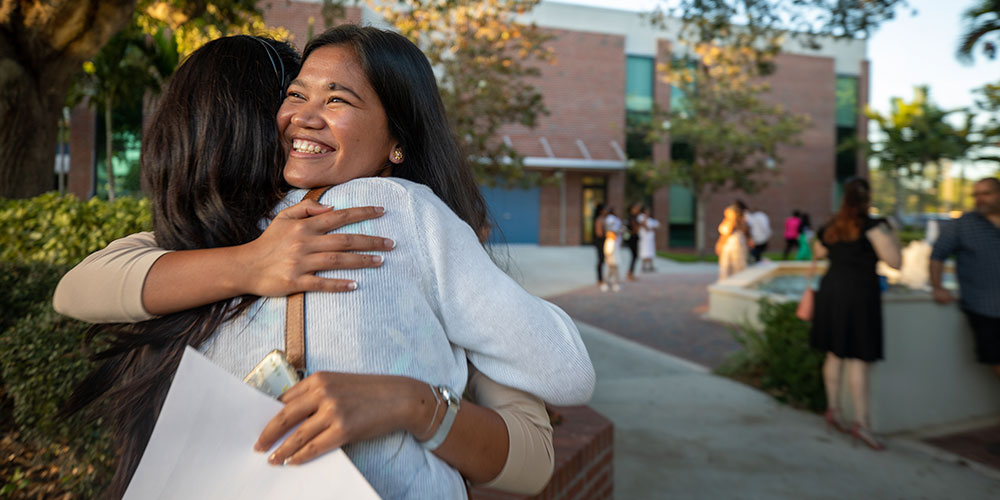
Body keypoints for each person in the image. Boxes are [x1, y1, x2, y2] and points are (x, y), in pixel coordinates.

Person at [58, 28, 594, 500]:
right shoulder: (228, 238)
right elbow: (80, 287)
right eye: (295, 95)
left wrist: (410, 402)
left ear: (397, 141)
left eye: (337, 99)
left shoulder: (407, 215)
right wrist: (252, 263)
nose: (301, 119)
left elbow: (547, 415)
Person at [809, 178, 900, 451]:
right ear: (867, 199)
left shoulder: (831, 227)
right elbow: (895, 262)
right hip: (859, 295)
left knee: (834, 354)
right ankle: (863, 424)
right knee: (859, 359)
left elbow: (818, 252)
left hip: (831, 291)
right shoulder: (873, 227)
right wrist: (892, 231)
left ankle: (833, 411)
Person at [930, 177, 1000, 379]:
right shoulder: (962, 225)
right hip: (984, 307)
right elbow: (937, 255)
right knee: (995, 359)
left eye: (986, 193)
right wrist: (937, 286)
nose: (980, 199)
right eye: (976, 195)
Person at [716, 204, 749, 280]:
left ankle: (727, 282)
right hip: (738, 242)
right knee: (737, 265)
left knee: (728, 265)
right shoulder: (741, 221)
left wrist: (720, 244)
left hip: (731, 243)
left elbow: (726, 234)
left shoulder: (732, 221)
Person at [603, 208, 623, 292]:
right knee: (611, 266)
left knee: (614, 266)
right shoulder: (610, 240)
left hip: (615, 246)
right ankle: (611, 283)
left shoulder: (614, 239)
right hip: (611, 247)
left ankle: (611, 283)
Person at [638, 206, 659, 272]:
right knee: (644, 252)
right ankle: (643, 267)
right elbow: (644, 225)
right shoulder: (641, 217)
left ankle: (651, 266)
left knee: (650, 252)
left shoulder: (651, 220)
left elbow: (657, 225)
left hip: (650, 239)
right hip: (644, 238)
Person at [625, 203, 643, 281]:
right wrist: (640, 225)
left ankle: (630, 272)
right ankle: (630, 273)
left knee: (635, 256)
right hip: (632, 238)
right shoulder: (633, 218)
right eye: (636, 208)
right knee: (634, 255)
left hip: (633, 238)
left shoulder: (635, 217)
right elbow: (635, 229)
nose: (637, 209)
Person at [592, 203, 608, 289]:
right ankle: (599, 279)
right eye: (605, 209)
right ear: (601, 210)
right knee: (600, 259)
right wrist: (607, 234)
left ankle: (603, 278)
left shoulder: (604, 219)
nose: (606, 211)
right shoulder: (599, 220)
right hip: (600, 242)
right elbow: (599, 233)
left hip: (603, 241)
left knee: (603, 260)